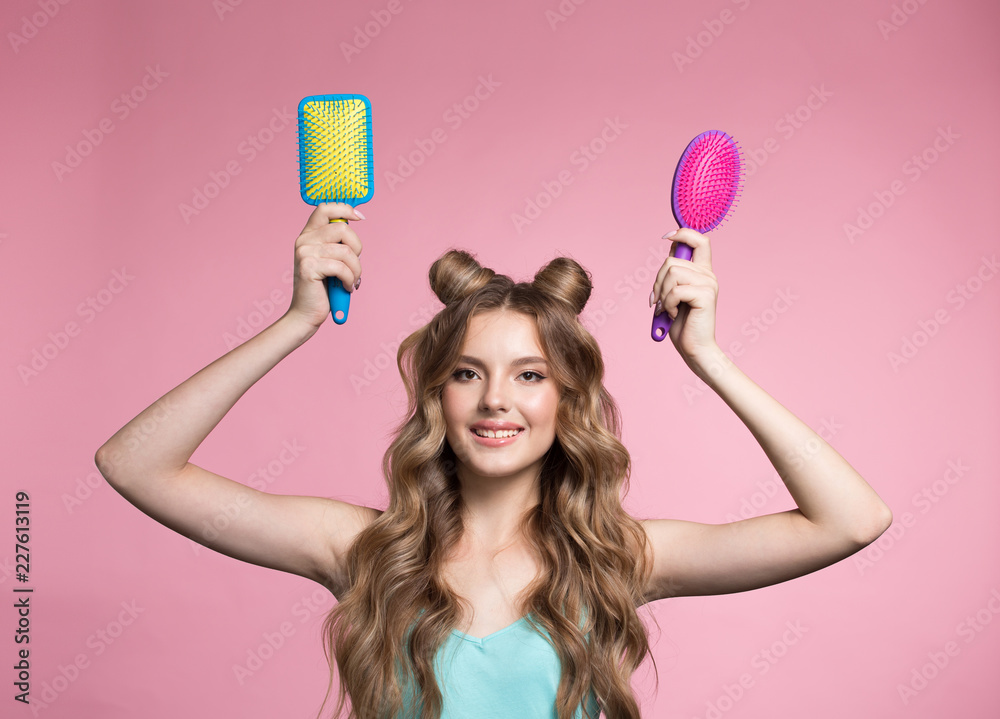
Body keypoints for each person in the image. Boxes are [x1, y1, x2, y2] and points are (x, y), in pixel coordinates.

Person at [96, 202, 893, 719]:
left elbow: (851, 520)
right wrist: (296, 321)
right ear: (436, 396)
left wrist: (708, 357)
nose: (496, 401)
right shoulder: (364, 550)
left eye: (530, 375)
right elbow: (136, 464)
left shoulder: (616, 557)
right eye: (467, 373)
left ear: (568, 399)